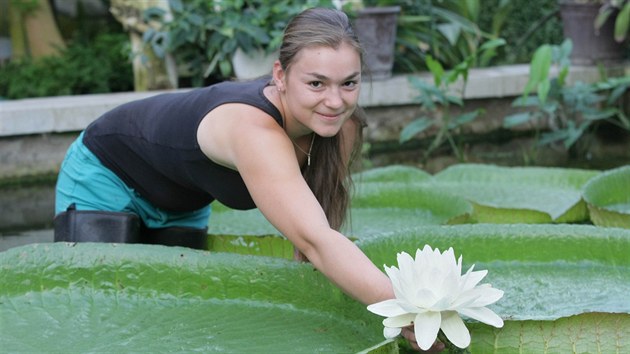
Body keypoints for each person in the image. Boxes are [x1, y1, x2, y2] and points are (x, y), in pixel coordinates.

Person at [53, 7, 444, 352]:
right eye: (316, 83)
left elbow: (315, 228)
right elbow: (318, 241)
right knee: (96, 316)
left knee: (168, 319)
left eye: (349, 83)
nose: (335, 101)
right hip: (106, 175)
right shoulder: (254, 131)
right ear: (281, 75)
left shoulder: (341, 127)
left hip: (181, 203)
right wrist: (410, 311)